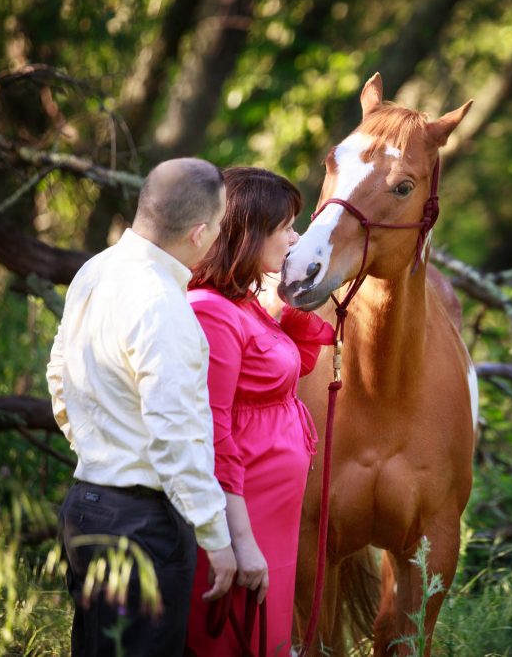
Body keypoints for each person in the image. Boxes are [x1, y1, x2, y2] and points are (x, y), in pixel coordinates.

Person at [47, 158, 238, 657]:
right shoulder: (162, 303)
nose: (217, 237)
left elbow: (58, 372)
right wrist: (217, 536)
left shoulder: (96, 269)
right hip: (141, 525)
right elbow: (175, 435)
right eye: (218, 227)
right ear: (199, 233)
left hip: (86, 504)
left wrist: (97, 449)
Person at [184, 167, 334, 656]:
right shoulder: (212, 312)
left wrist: (286, 308)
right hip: (246, 505)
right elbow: (214, 429)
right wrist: (240, 540)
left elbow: (295, 364)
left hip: (275, 505)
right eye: (286, 227)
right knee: (238, 635)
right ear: (249, 235)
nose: (295, 238)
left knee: (268, 630)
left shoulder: (245, 304)